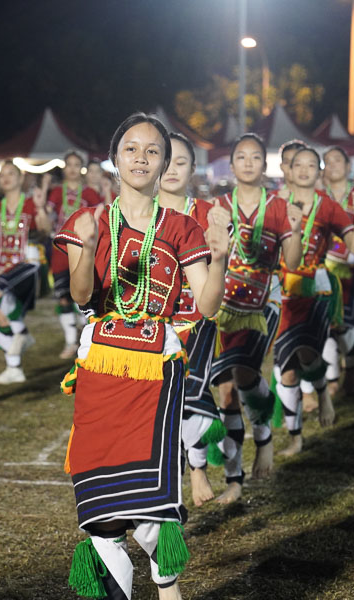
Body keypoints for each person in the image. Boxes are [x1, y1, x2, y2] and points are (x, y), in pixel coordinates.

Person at [55, 113, 227, 600]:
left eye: (154, 151)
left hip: (156, 368)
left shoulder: (182, 226)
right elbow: (83, 296)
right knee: (99, 509)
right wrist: (83, 249)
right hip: (100, 366)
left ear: (165, 163)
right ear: (115, 157)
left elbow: (207, 304)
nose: (142, 158)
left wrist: (219, 258)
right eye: (132, 148)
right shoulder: (89, 219)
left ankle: (166, 578)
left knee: (146, 497)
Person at [208, 133, 302, 505]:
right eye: (241, 157)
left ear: (265, 166)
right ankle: (234, 479)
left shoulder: (279, 207)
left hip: (264, 304)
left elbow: (291, 263)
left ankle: (264, 439)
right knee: (226, 389)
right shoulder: (216, 206)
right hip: (225, 305)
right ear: (231, 166)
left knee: (245, 374)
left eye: (255, 157)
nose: (248, 163)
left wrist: (293, 226)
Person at [273, 147, 354, 457]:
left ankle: (322, 390)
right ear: (288, 169)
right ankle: (295, 437)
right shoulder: (275, 204)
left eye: (311, 165)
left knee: (309, 357)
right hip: (280, 293)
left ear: (319, 171)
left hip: (314, 292)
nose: (303, 169)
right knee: (286, 368)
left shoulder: (326, 206)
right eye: (297, 164)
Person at [158, 132, 227, 507]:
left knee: (187, 390)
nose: (170, 169)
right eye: (164, 160)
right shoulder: (137, 211)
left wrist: (221, 247)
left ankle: (197, 467)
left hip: (197, 319)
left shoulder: (209, 213)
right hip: (151, 323)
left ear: (193, 169)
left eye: (180, 162)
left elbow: (218, 281)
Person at [0, 161, 52, 384]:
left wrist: (41, 208)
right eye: (2, 174)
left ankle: (23, 336)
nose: (6, 178)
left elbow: (45, 230)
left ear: (21, 178)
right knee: (3, 321)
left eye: (11, 173)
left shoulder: (31, 203)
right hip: (1, 267)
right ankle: (14, 367)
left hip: (27, 265)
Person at [320, 146, 354, 396]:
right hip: (323, 265)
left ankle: (350, 367)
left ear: (348, 166)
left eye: (338, 160)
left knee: (347, 321)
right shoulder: (320, 194)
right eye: (327, 161)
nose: (333, 165)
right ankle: (332, 378)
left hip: (349, 266)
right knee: (326, 322)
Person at [47, 151, 103, 359]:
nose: (72, 168)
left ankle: (86, 338)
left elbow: (100, 217)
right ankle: (70, 341)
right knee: (62, 295)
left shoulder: (89, 192)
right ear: (64, 168)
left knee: (84, 293)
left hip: (83, 248)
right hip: (61, 248)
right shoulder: (55, 192)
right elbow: (48, 218)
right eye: (68, 164)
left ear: (82, 168)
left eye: (76, 164)